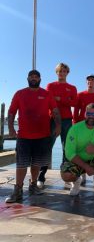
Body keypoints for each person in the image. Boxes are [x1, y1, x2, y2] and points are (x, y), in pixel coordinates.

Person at [5, 70, 61, 203]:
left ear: (40, 79)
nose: (34, 78)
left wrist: (58, 126)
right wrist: (12, 127)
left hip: (42, 135)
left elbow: (55, 111)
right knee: (21, 164)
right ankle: (18, 190)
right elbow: (12, 111)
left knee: (37, 163)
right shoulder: (20, 93)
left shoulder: (46, 94)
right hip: (24, 136)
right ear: (28, 78)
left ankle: (33, 185)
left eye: (36, 77)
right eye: (32, 77)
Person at [37, 63, 77, 189]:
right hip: (53, 120)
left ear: (67, 73)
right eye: (60, 71)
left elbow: (74, 103)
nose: (62, 73)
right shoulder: (50, 85)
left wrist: (60, 99)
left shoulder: (72, 87)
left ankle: (66, 176)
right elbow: (49, 101)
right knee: (48, 147)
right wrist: (64, 100)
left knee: (67, 148)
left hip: (67, 121)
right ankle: (41, 175)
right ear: (57, 72)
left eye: (64, 71)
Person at [73, 74, 94, 185]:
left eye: (92, 80)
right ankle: (82, 175)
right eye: (88, 80)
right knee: (81, 149)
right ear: (86, 83)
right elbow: (76, 111)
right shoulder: (80, 95)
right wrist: (75, 125)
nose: (90, 82)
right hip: (82, 127)